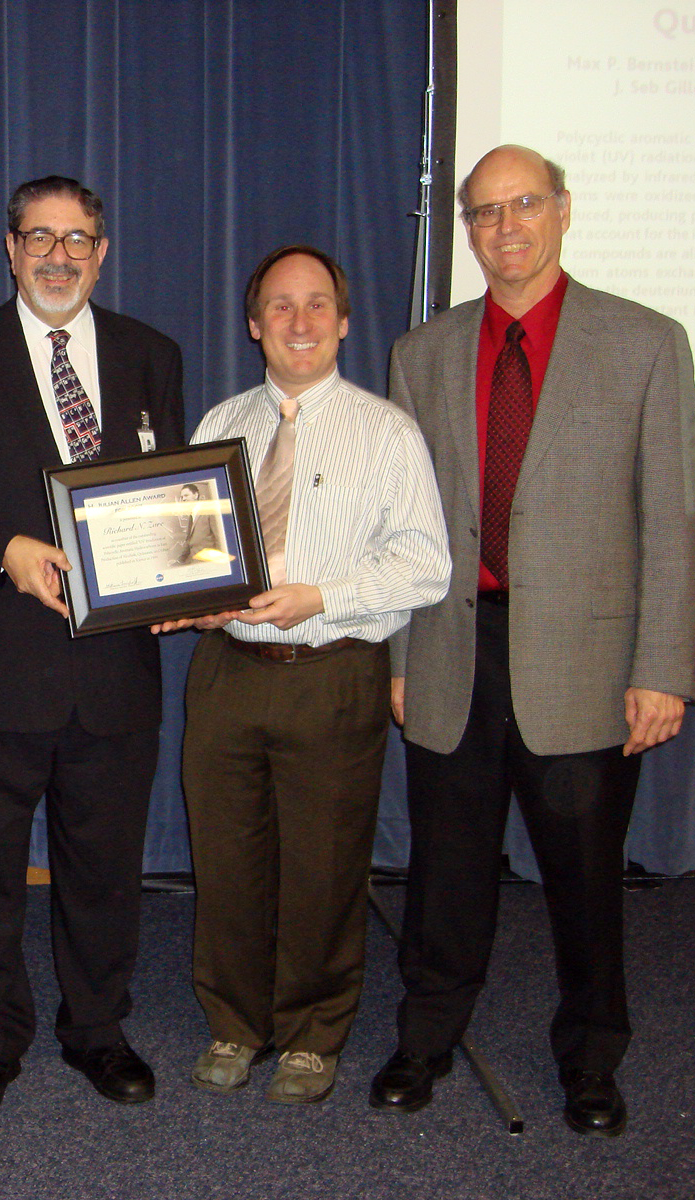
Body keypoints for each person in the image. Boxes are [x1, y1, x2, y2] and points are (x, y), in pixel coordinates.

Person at [372, 145, 695, 1137]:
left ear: (562, 211)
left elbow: (672, 520)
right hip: (452, 654)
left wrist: (663, 670)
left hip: (589, 666)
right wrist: (395, 658)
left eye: (523, 206)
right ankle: (426, 1036)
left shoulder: (646, 342)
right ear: (466, 230)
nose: (503, 227)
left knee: (587, 881)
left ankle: (593, 1058)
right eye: (483, 213)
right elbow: (404, 520)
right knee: (446, 871)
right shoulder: (422, 352)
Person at [0, 175, 183, 1115]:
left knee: (104, 867)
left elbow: (173, 498)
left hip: (116, 671)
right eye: (40, 238)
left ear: (104, 250)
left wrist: (182, 576)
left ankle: (98, 1030)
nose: (59, 256)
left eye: (79, 239)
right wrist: (5, 550)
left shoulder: (151, 354)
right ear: (9, 249)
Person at [165, 246, 448, 1105]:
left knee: (325, 865)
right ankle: (235, 1020)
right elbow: (189, 551)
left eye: (316, 305)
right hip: (228, 672)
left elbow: (425, 566)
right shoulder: (221, 423)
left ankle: (314, 1032)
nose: (298, 322)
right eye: (280, 306)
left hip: (332, 667)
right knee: (226, 856)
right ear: (254, 324)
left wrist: (319, 595)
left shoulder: (388, 431)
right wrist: (196, 597)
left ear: (344, 321)